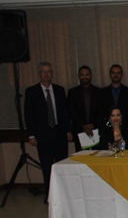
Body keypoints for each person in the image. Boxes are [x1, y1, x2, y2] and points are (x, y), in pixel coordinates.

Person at [24, 61, 72, 203]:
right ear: (39, 74)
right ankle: (50, 196)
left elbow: (64, 112)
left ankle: (63, 196)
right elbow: (28, 115)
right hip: (43, 136)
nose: (46, 74)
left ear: (52, 73)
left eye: (49, 71)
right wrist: (31, 135)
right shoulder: (31, 92)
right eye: (43, 72)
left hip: (59, 134)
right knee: (47, 167)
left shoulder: (59, 90)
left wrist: (68, 130)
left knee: (61, 166)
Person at [67, 65, 102, 152]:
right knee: (81, 157)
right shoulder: (72, 92)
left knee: (97, 156)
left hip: (96, 130)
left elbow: (101, 112)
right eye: (82, 75)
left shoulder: (99, 92)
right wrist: (84, 125)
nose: (85, 77)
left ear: (91, 75)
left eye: (87, 74)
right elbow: (71, 112)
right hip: (79, 131)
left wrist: (92, 125)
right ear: (79, 76)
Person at [100, 64, 128, 136]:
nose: (116, 75)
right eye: (113, 73)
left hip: (126, 128)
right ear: (110, 74)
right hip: (107, 129)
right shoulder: (103, 92)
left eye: (118, 73)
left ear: (121, 75)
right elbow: (100, 113)